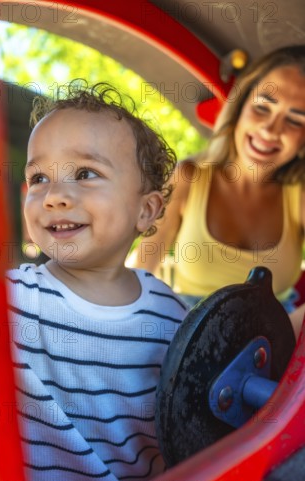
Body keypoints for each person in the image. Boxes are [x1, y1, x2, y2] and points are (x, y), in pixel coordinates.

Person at [5, 80, 188, 481]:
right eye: (40, 178)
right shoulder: (12, 298)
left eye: (84, 174)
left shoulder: (173, 318)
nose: (55, 195)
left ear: (145, 211)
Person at [129, 45, 305, 313]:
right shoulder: (190, 177)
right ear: (241, 105)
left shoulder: (299, 195)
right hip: (189, 339)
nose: (270, 130)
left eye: (294, 121)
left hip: (277, 343)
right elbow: (139, 276)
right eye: (262, 107)